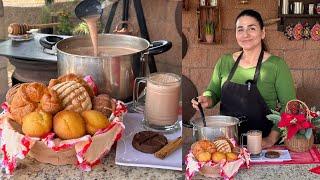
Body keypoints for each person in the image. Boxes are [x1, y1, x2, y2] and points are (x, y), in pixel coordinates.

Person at [191, 9, 296, 148]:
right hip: (228, 144)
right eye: (240, 29)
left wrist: (270, 139)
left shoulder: (277, 65)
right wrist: (206, 99)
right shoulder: (225, 62)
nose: (245, 34)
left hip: (262, 144)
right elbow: (213, 92)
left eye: (251, 28)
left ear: (263, 32)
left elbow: (290, 107)